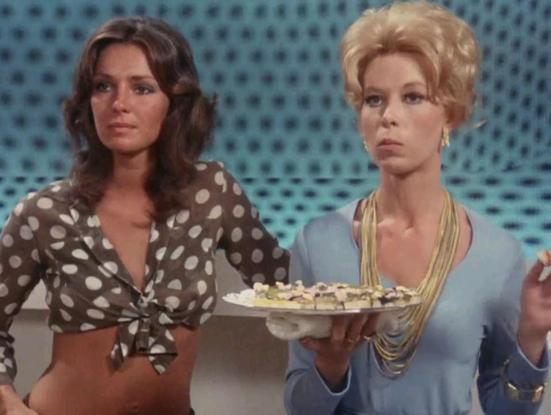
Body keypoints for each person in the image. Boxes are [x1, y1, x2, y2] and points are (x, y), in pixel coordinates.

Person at [0, 16, 288, 415]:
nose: (119, 103)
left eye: (142, 88)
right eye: (103, 86)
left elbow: (286, 286)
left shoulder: (211, 192)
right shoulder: (44, 213)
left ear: (175, 102)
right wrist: (9, 404)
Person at [283, 2, 550, 414]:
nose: (388, 116)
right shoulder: (318, 241)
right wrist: (330, 366)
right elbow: (299, 407)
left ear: (451, 114)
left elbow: (507, 410)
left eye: (413, 97)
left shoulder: (498, 255)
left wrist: (531, 338)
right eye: (374, 99)